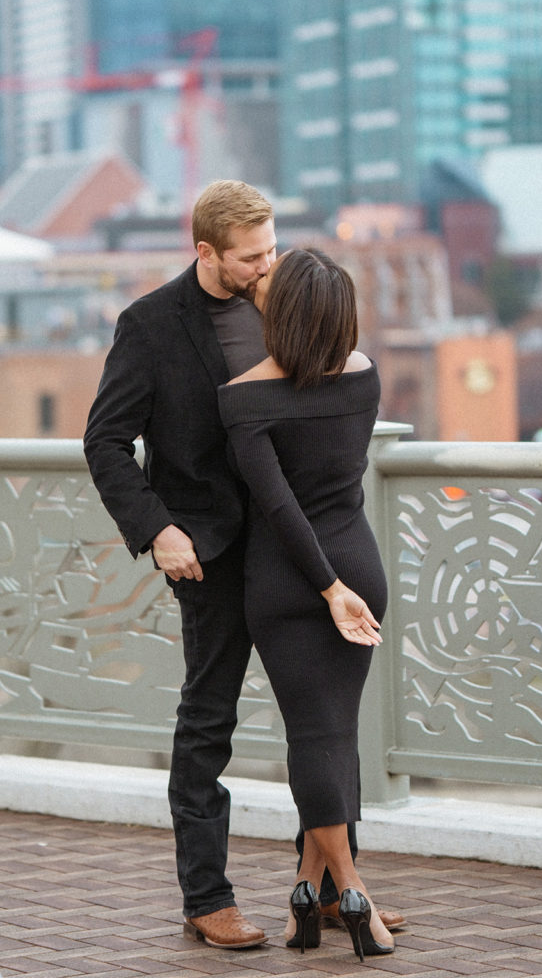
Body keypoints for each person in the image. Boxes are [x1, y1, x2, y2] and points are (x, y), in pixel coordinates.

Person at [83, 180, 402, 951]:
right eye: (250, 257)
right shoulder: (152, 324)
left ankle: (330, 887)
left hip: (304, 549)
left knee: (325, 722)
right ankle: (207, 897)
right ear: (205, 252)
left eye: (270, 251)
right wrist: (157, 528)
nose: (266, 268)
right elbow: (104, 442)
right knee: (208, 721)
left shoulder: (285, 303)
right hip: (214, 554)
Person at [218, 247, 396, 961]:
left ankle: (347, 891)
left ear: (282, 310)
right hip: (358, 565)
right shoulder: (363, 378)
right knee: (335, 734)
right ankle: (312, 888)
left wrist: (325, 590)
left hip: (290, 584)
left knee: (312, 735)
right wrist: (343, 586)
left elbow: (279, 508)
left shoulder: (242, 396)